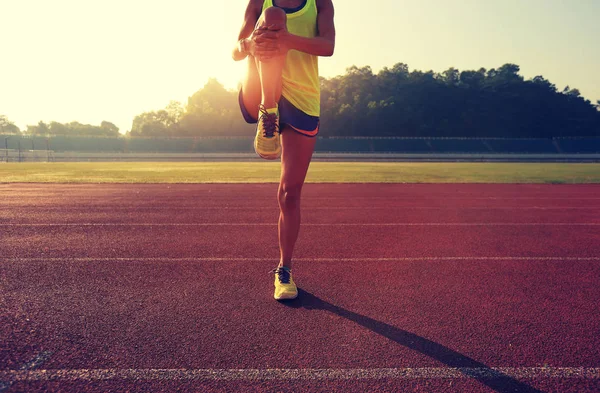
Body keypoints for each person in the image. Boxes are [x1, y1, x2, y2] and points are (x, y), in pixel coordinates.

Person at [232, 0, 335, 300]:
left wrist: (286, 41)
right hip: (259, 88)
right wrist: (251, 43)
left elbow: (328, 46)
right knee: (274, 15)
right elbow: (235, 50)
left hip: (303, 97)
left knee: (289, 192)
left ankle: (284, 270)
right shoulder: (258, 3)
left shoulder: (321, 3)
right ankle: (269, 108)